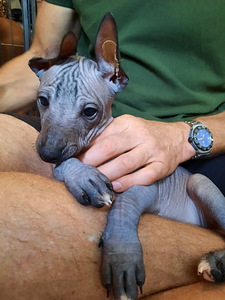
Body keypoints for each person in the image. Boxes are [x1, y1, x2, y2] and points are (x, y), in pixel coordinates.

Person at [0, 0, 225, 299]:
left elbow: (143, 187)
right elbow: (41, 49)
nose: (51, 143)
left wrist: (121, 227)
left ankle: (203, 248)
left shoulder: (106, 86)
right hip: (91, 97)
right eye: (44, 101)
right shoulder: (62, 86)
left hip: (201, 149)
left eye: (89, 112)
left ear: (116, 76)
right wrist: (70, 165)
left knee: (198, 185)